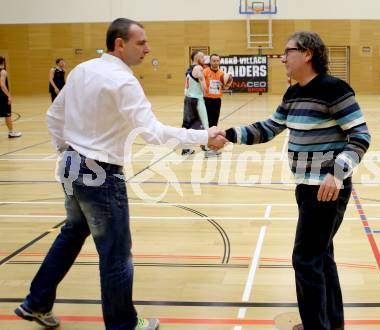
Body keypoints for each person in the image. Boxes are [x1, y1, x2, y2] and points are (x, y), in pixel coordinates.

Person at [14, 18, 227, 330]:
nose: (148, 49)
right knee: (115, 255)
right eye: (141, 43)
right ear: (119, 44)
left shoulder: (83, 70)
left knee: (72, 234)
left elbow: (53, 116)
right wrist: (203, 136)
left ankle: (36, 302)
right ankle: (123, 324)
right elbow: (153, 133)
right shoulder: (124, 82)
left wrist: (67, 151)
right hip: (100, 176)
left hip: (71, 167)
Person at [224, 32, 370, 330]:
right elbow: (269, 127)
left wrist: (336, 173)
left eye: (287, 52)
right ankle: (331, 323)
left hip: (326, 188)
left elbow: (361, 136)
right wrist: (228, 135)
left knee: (305, 259)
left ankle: (316, 325)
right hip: (306, 187)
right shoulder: (293, 93)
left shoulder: (334, 89)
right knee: (320, 256)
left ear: (307, 54)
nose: (282, 58)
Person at [181, 49, 210, 156]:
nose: (204, 59)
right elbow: (203, 85)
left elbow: (185, 87)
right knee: (205, 123)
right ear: (197, 58)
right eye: (202, 57)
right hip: (197, 100)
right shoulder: (198, 68)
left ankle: (186, 149)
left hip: (188, 99)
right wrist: (206, 94)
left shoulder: (188, 69)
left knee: (187, 125)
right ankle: (207, 147)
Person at [203, 53, 233, 157]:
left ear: (219, 62)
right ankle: (207, 147)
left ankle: (210, 147)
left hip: (217, 101)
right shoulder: (205, 72)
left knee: (214, 124)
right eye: (213, 61)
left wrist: (227, 85)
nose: (215, 62)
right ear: (210, 62)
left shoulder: (222, 74)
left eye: (217, 61)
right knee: (207, 124)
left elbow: (224, 88)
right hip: (206, 100)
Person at [0, 56, 22, 138]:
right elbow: (2, 85)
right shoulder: (3, 71)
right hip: (2, 96)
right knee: (7, 115)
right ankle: (11, 132)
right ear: (3, 62)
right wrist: (9, 96)